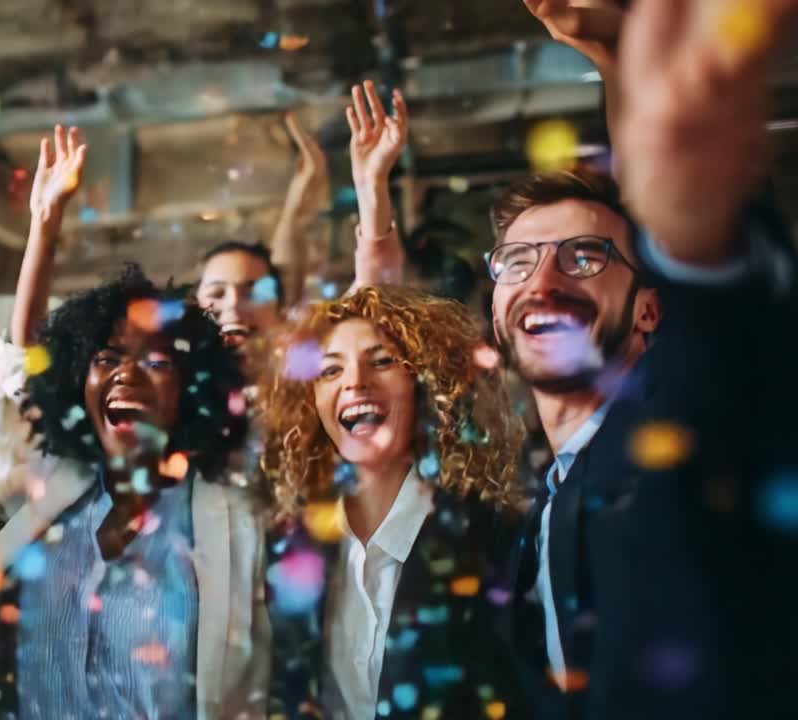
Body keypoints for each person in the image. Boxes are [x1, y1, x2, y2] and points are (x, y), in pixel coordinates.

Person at [491, 1, 798, 717]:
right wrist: (609, 56)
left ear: (653, 308)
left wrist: (702, 229)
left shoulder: (679, 442)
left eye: (585, 255)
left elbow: (725, 344)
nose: (544, 282)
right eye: (517, 260)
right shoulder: (534, 501)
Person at [0, 264, 268, 719]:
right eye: (106, 358)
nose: (126, 373)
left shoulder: (239, 524)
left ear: (192, 390)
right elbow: (15, 374)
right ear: (75, 380)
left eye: (157, 361)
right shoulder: (38, 495)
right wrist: (44, 227)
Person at [258, 285, 527, 719]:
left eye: (382, 361)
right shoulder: (290, 549)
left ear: (427, 385)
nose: (355, 382)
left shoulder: (493, 542)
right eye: (330, 371)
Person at [196, 81, 409, 355]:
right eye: (216, 294)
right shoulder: (169, 377)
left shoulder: (308, 366)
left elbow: (375, 286)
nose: (234, 305)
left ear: (280, 308)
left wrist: (371, 183)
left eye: (253, 291)